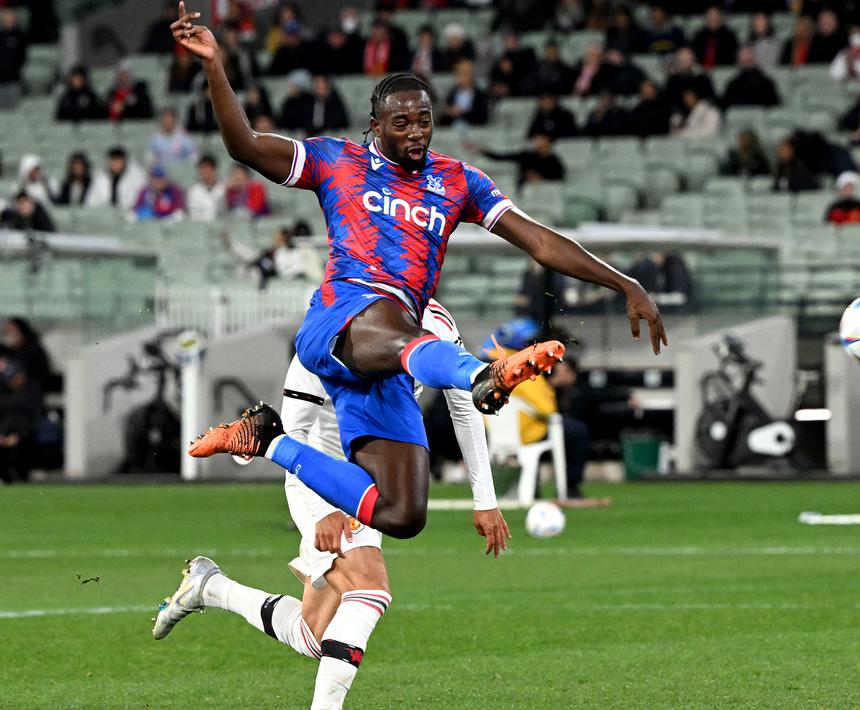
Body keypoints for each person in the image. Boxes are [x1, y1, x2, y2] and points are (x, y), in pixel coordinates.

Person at [170, 3, 664, 543]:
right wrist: (215, 66)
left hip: (388, 355)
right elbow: (243, 145)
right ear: (375, 125)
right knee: (404, 324)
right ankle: (481, 375)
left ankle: (267, 438)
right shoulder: (337, 162)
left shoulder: (458, 181)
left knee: (403, 514)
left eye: (424, 120)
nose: (415, 133)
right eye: (400, 122)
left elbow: (541, 241)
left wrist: (626, 282)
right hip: (341, 320)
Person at [154, 298, 501, 710]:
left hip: (380, 471)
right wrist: (323, 509)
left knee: (314, 635)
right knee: (370, 589)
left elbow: (463, 405)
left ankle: (210, 588)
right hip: (322, 475)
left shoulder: (436, 323)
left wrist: (485, 499)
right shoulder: (328, 329)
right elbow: (288, 436)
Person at [483, 319, 589, 499]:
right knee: (576, 431)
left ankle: (532, 489)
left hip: (495, 433)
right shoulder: (520, 365)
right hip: (527, 432)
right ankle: (570, 487)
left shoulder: (487, 366)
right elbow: (547, 409)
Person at [0, 357, 41, 484]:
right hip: (5, 433)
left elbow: (34, 419)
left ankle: (20, 479)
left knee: (20, 452)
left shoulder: (32, 391)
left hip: (24, 436)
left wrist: (18, 436)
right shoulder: (5, 391)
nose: (12, 382)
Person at [478, 133, 566, 188]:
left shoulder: (554, 160)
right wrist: (482, 151)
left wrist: (541, 178)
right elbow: (500, 157)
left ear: (548, 141)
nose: (536, 141)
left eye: (540, 138)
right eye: (535, 139)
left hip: (545, 191)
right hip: (523, 189)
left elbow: (560, 177)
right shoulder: (526, 155)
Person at [2, 317, 52, 392]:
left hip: (28, 395)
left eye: (10, 331)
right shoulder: (8, 352)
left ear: (21, 331)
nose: (7, 334)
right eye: (6, 332)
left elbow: (28, 379)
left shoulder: (33, 351)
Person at [438, 59, 489, 127]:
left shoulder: (480, 94)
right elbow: (443, 119)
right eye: (458, 73)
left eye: (463, 74)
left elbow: (482, 118)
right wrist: (449, 112)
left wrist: (462, 113)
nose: (459, 77)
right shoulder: (452, 92)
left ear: (471, 75)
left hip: (473, 130)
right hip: (452, 130)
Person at [0, 7, 28, 109]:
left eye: (11, 18)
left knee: (14, 110)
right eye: (6, 19)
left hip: (14, 80)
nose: (9, 21)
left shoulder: (20, 36)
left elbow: (23, 56)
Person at [187, 154, 226, 220]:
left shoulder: (224, 187)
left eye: (207, 168)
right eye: (202, 168)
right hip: (201, 226)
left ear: (214, 169)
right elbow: (193, 214)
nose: (204, 171)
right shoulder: (194, 191)